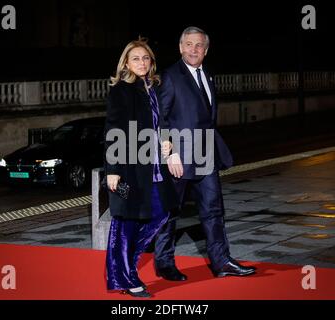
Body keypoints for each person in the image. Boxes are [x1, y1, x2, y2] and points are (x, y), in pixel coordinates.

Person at [154, 26, 257, 281]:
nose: (193, 49)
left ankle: (221, 262)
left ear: (206, 50)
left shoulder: (208, 75)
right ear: (180, 47)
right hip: (178, 158)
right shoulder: (169, 76)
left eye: (199, 45)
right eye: (188, 44)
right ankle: (164, 263)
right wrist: (170, 154)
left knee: (214, 210)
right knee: (170, 213)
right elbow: (160, 119)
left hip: (206, 157)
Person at [104, 39, 178, 298]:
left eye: (145, 58)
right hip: (128, 168)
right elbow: (113, 130)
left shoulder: (152, 89)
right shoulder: (121, 91)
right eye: (136, 58)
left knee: (161, 213)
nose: (141, 63)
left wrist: (167, 139)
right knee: (126, 223)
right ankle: (128, 277)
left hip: (153, 167)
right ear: (126, 62)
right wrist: (112, 169)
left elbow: (162, 121)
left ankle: (123, 269)